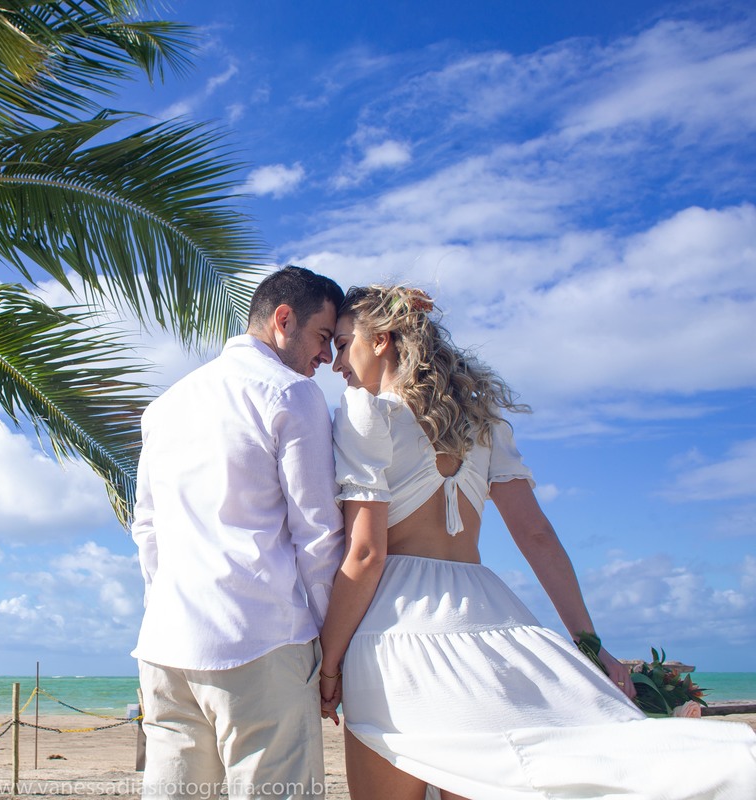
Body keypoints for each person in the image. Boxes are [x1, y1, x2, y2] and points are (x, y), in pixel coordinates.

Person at [319, 285, 756, 800]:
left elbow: (368, 553)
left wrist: (327, 665)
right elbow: (537, 536)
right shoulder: (482, 424)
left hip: (397, 630)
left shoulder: (363, 412)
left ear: (382, 341)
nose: (336, 363)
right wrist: (590, 646)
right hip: (493, 618)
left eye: (344, 344)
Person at [132, 265, 346, 800]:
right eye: (323, 337)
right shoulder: (292, 394)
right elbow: (317, 537)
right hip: (260, 641)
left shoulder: (164, 406)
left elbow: (147, 529)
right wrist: (331, 651)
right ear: (283, 319)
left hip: (165, 646)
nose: (328, 356)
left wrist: (163, 608)